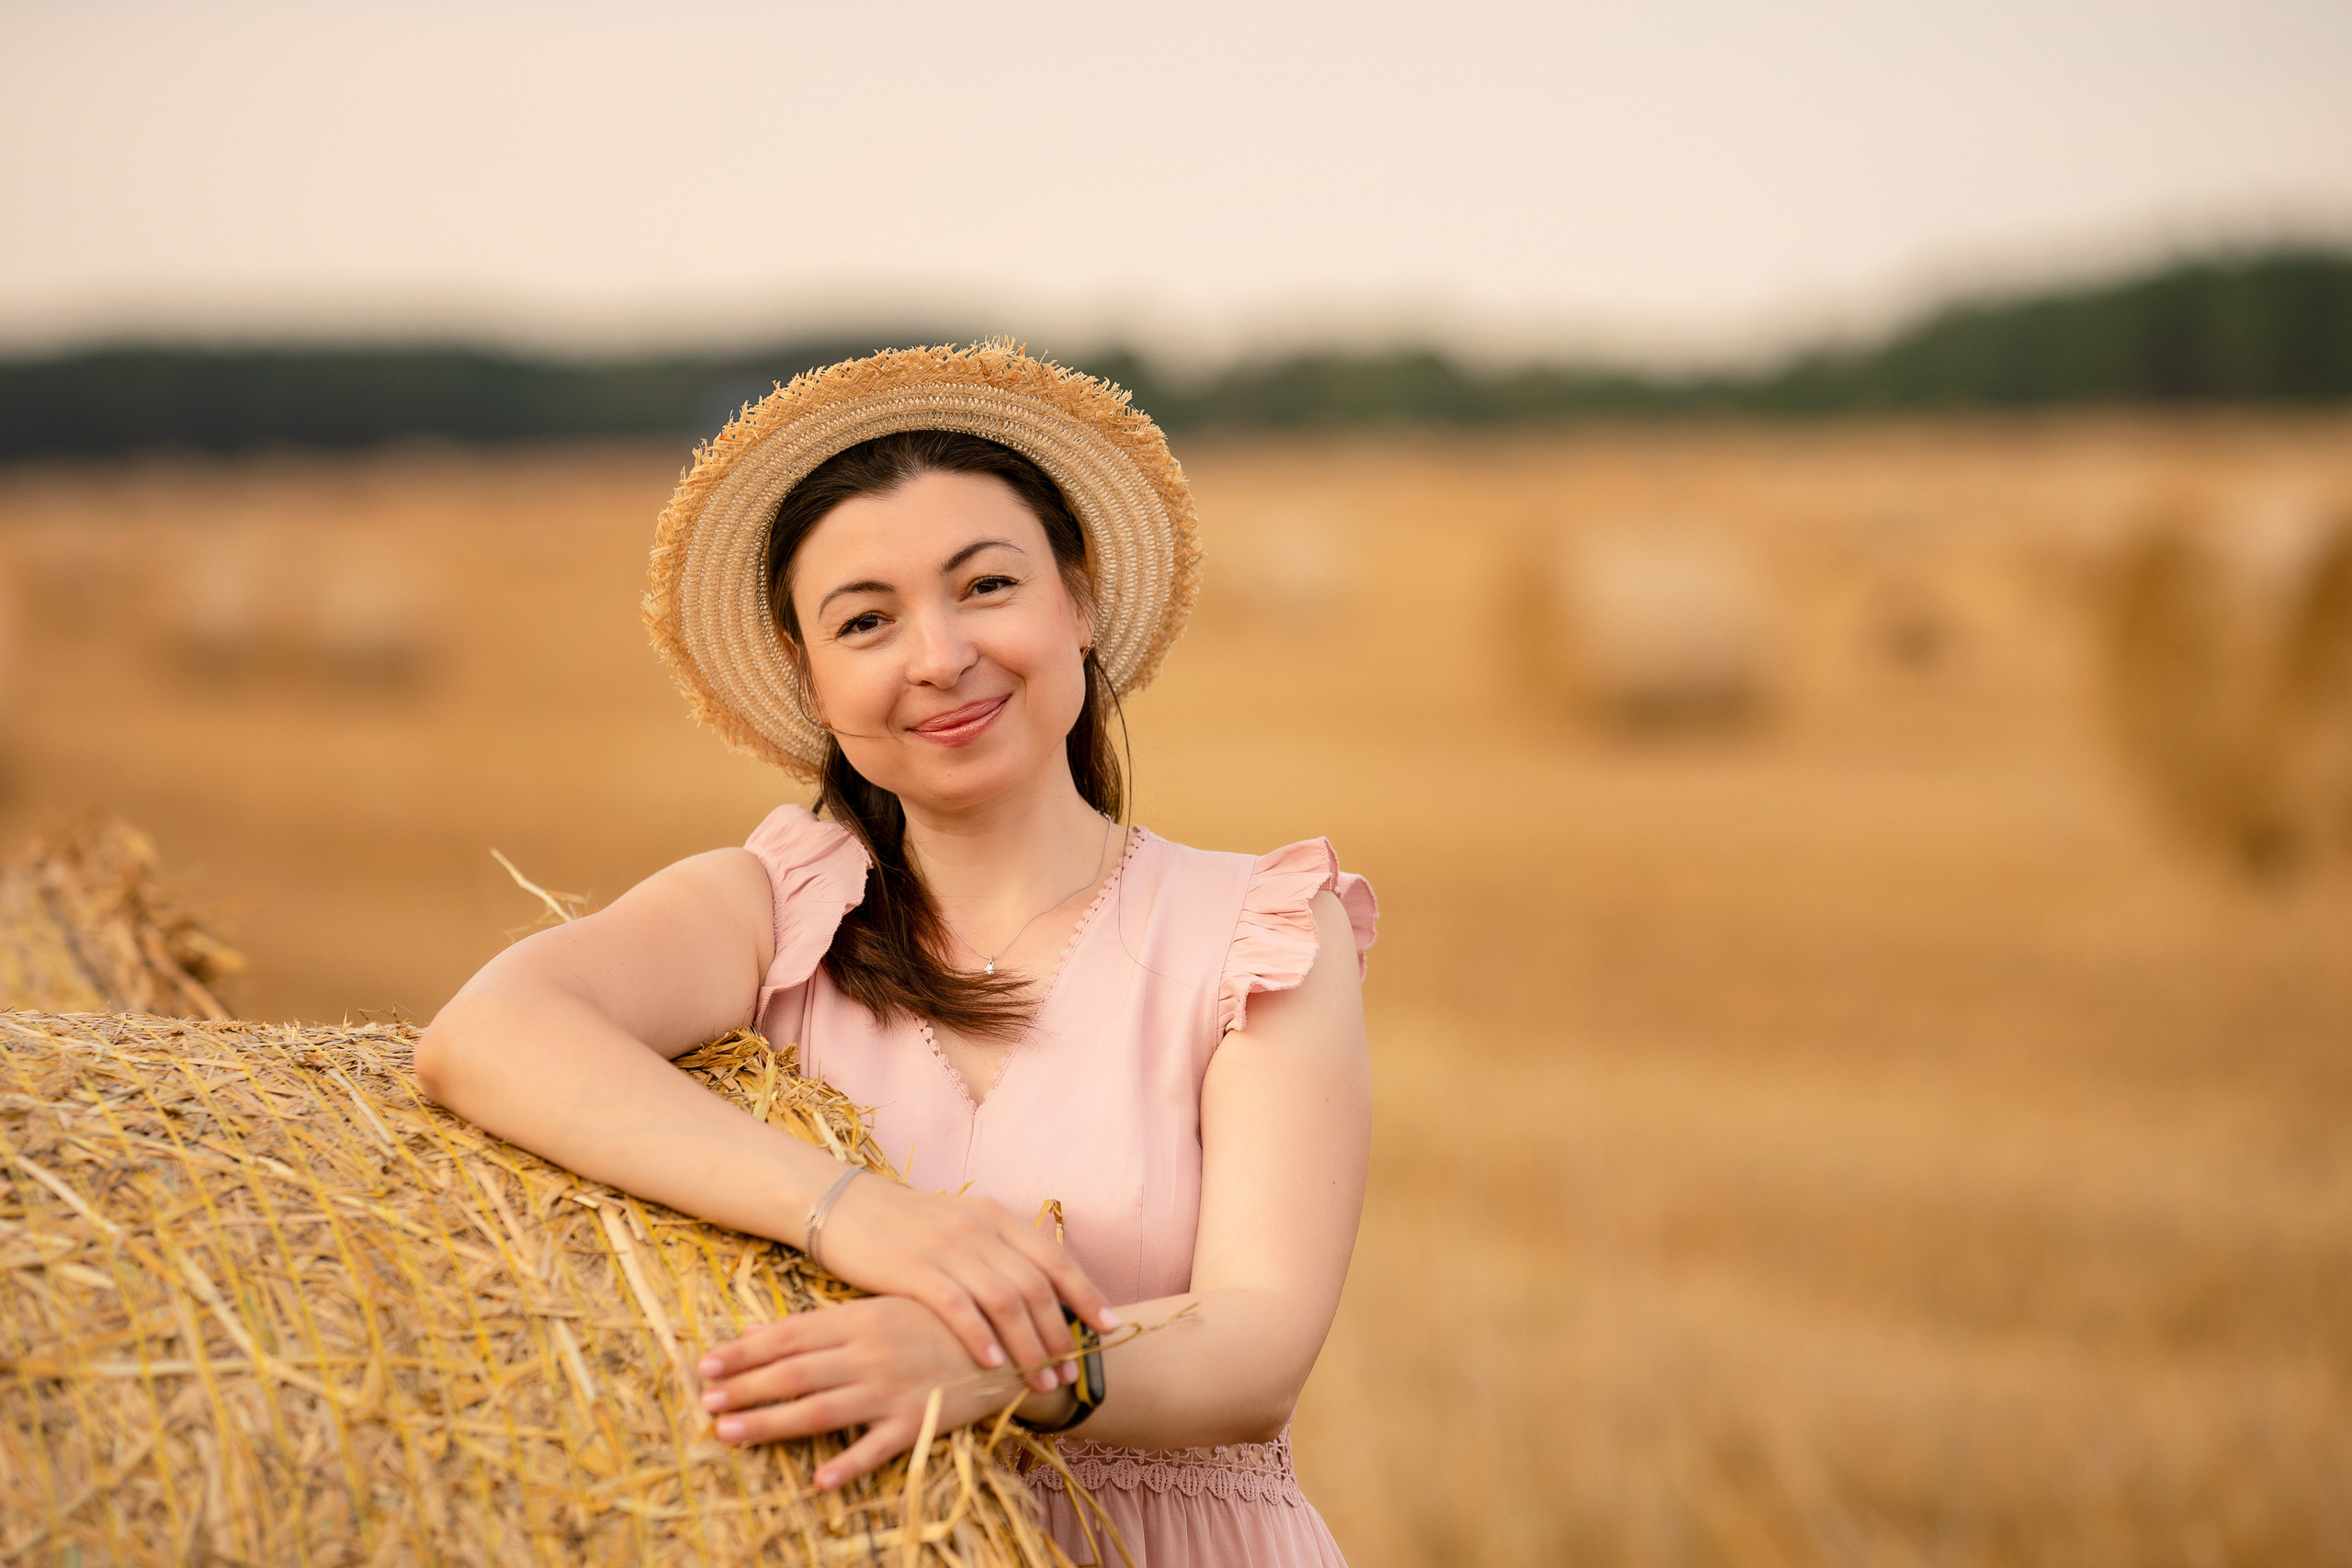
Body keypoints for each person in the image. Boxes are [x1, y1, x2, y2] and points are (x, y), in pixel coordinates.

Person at [415, 344, 1376, 1565]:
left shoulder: (1257, 930)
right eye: (866, 621)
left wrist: (998, 1368)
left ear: (1075, 600)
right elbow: (486, 1035)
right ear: (811, 677)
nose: (937, 657)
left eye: (985, 587)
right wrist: (851, 1215)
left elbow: (1259, 1342)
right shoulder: (774, 913)